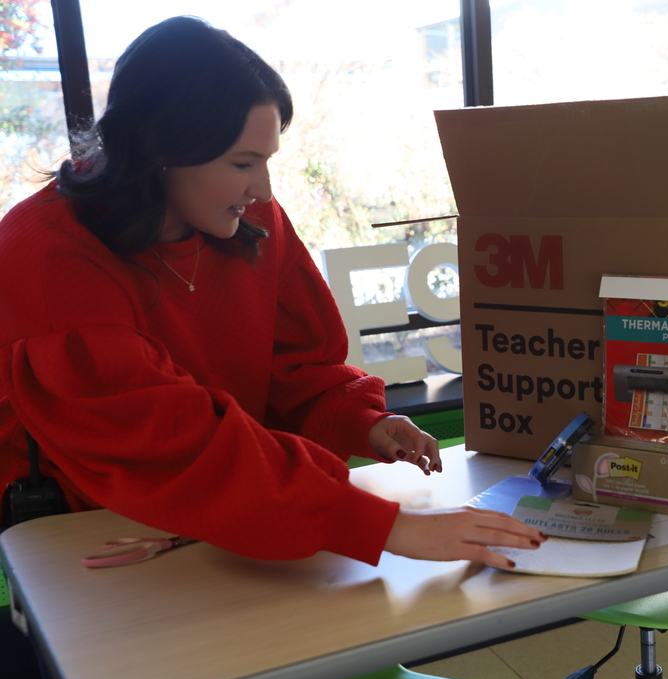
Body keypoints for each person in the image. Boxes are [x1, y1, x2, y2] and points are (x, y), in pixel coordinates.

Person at [0, 15, 545, 569]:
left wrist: (362, 421)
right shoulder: (46, 252)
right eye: (242, 164)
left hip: (231, 516)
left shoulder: (247, 217)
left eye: (266, 162)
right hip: (89, 535)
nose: (261, 190)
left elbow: (298, 365)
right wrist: (386, 529)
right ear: (157, 149)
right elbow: (165, 438)